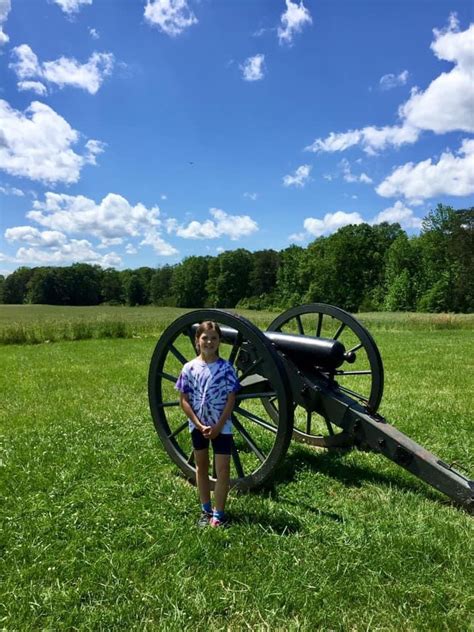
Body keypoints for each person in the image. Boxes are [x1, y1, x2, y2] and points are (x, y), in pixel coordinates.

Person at [175, 320, 240, 527]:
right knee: (201, 466)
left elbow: (231, 399)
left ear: (219, 341)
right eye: (205, 338)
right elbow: (183, 400)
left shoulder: (227, 369)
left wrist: (220, 425)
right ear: (197, 341)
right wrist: (199, 424)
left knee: (223, 470)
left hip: (222, 426)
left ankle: (218, 513)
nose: (209, 342)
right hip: (198, 427)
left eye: (214, 338)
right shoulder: (189, 368)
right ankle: (205, 510)